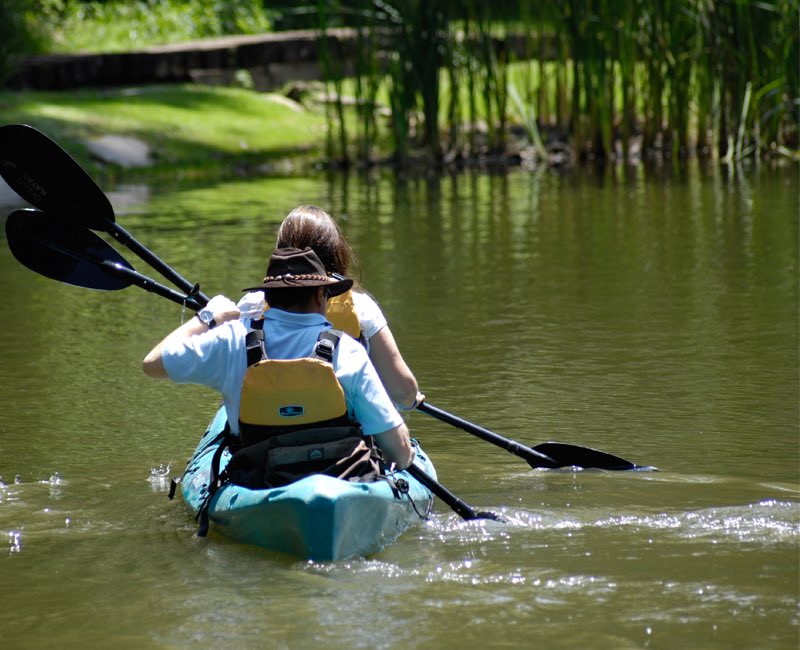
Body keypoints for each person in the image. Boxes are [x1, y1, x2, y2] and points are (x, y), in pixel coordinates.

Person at [143, 247, 415, 483]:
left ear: (267, 297)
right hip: (339, 479)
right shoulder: (349, 351)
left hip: (257, 482)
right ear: (321, 295)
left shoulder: (231, 339)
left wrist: (208, 317)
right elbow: (398, 453)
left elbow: (152, 363)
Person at [268, 204, 424, 412]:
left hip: (264, 428)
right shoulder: (361, 308)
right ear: (336, 252)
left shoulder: (253, 305)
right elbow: (404, 394)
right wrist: (412, 398)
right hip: (342, 430)